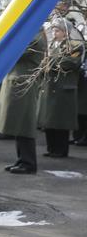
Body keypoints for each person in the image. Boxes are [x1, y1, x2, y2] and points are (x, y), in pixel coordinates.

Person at [0, 30, 46, 174]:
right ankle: (22, 159)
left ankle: (28, 162)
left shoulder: (34, 36)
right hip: (19, 83)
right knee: (19, 124)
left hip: (23, 84)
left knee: (24, 125)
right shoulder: (31, 34)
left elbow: (15, 52)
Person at [37, 18, 84, 158]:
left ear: (66, 32)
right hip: (50, 86)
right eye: (54, 30)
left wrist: (50, 62)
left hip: (63, 88)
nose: (54, 32)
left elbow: (70, 62)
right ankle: (51, 148)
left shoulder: (75, 45)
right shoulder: (52, 44)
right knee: (49, 121)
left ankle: (61, 150)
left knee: (61, 122)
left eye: (58, 30)